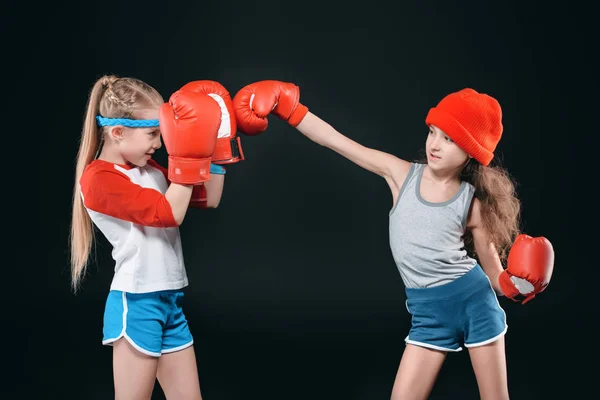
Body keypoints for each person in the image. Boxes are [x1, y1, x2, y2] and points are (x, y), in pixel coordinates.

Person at [231, 81, 555, 399]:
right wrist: (290, 109)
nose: (435, 145)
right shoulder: (401, 174)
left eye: (449, 139)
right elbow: (336, 141)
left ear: (471, 152)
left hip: (474, 302)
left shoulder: (472, 203)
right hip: (427, 313)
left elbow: (494, 275)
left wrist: (517, 286)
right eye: (433, 132)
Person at [69, 75, 240, 399]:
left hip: (169, 299)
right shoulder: (98, 178)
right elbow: (168, 213)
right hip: (137, 302)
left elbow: (208, 198)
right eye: (152, 134)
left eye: (162, 133)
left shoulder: (148, 170)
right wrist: (189, 152)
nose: (159, 144)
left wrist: (218, 137)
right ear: (118, 132)